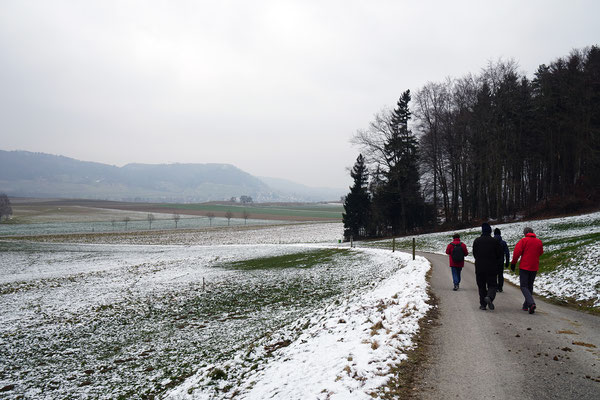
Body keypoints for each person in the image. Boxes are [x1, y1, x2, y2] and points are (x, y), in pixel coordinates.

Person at [511, 227, 544, 314]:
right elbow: (541, 252)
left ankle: (531, 303)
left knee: (524, 286)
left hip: (525, 266)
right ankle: (526, 306)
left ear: (525, 233)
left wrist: (513, 263)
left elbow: (516, 253)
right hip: (534, 267)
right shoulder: (539, 241)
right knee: (530, 286)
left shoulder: (523, 241)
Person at [472, 223, 503, 310]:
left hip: (480, 267)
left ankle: (483, 304)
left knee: (481, 286)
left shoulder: (477, 241)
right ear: (490, 231)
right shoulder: (495, 241)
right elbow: (499, 254)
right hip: (492, 268)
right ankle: (489, 297)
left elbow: (474, 254)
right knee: (492, 285)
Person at [493, 228, 510, 292]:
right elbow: (507, 253)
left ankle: (494, 286)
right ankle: (500, 287)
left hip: (493, 261)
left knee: (493, 274)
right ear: (500, 234)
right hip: (501, 261)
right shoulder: (503, 243)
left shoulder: (492, 242)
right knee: (500, 274)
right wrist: (507, 262)